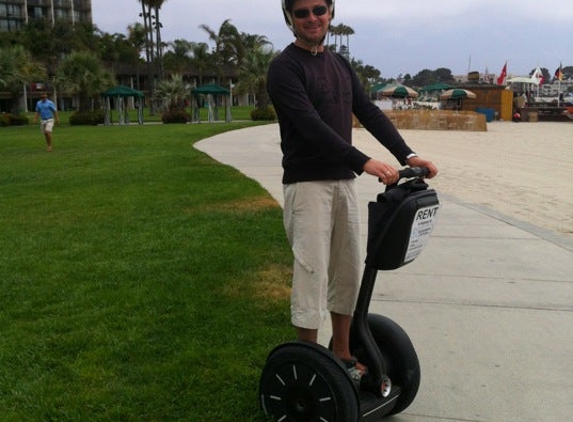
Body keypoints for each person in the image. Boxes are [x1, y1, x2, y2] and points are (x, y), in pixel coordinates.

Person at [268, 0, 438, 380]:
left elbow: (369, 112)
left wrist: (407, 155)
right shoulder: (284, 68)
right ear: (289, 18)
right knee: (311, 271)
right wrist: (363, 161)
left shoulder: (340, 65)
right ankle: (311, 364)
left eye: (318, 9)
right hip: (307, 184)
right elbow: (310, 125)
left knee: (347, 270)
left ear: (331, 11)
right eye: (302, 12)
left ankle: (342, 354)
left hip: (342, 182)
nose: (312, 18)